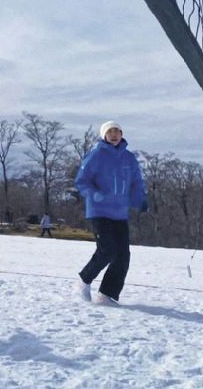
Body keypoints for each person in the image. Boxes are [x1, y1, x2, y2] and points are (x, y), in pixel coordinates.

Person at [74, 121, 146, 305]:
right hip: (99, 211)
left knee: (122, 256)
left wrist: (140, 201)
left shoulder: (129, 158)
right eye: (110, 132)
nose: (114, 135)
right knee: (107, 250)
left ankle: (107, 294)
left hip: (119, 213)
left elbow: (136, 183)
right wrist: (93, 194)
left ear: (122, 134)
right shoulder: (96, 155)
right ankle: (83, 281)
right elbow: (82, 181)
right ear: (104, 135)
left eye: (117, 131)